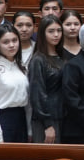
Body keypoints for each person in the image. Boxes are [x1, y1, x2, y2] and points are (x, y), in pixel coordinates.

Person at [28, 15, 67, 144]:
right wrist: (47, 124)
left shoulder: (62, 56)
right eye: (51, 31)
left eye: (59, 30)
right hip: (45, 120)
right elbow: (37, 95)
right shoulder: (38, 59)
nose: (56, 35)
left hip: (62, 115)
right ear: (42, 33)